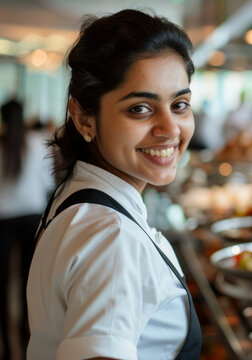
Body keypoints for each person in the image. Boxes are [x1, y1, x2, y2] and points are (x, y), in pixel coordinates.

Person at [26, 9, 201, 360]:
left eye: (179, 104)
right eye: (140, 108)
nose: (170, 129)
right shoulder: (111, 235)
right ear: (83, 119)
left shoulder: (78, 199)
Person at [0, 98, 54, 360]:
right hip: (32, 217)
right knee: (28, 280)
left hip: (3, 219)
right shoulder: (37, 141)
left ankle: (6, 346)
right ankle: (26, 335)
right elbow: (49, 181)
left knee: (2, 283)